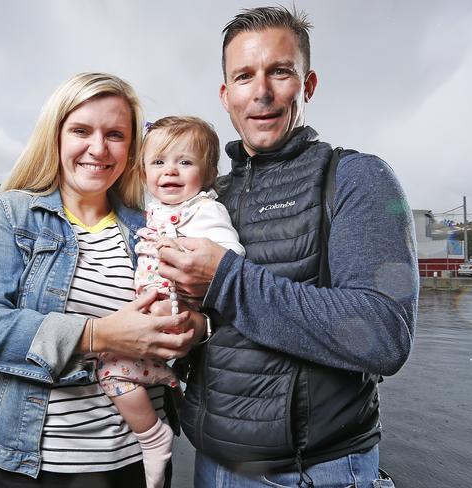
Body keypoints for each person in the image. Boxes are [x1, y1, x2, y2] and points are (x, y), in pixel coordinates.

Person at [157, 7, 419, 488]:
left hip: (313, 473)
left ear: (309, 84)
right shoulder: (208, 197)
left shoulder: (359, 178)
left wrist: (226, 279)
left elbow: (385, 336)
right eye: (243, 76)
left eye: (280, 71)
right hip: (209, 464)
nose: (261, 92)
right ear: (225, 94)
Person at [0, 72, 207, 488]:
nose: (98, 149)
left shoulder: (149, 226)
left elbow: (194, 311)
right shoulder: (13, 215)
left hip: (140, 462)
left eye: (116, 134)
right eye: (81, 131)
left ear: (132, 149)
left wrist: (195, 329)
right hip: (45, 467)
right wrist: (98, 335)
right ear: (56, 136)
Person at [96, 116, 244, 488]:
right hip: (156, 308)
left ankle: (152, 436)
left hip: (175, 305)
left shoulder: (204, 210)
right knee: (109, 368)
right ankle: (156, 417)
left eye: (185, 162)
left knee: (108, 367)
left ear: (208, 174)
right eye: (159, 162)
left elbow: (230, 257)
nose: (171, 172)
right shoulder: (149, 211)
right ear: (143, 171)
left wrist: (194, 263)